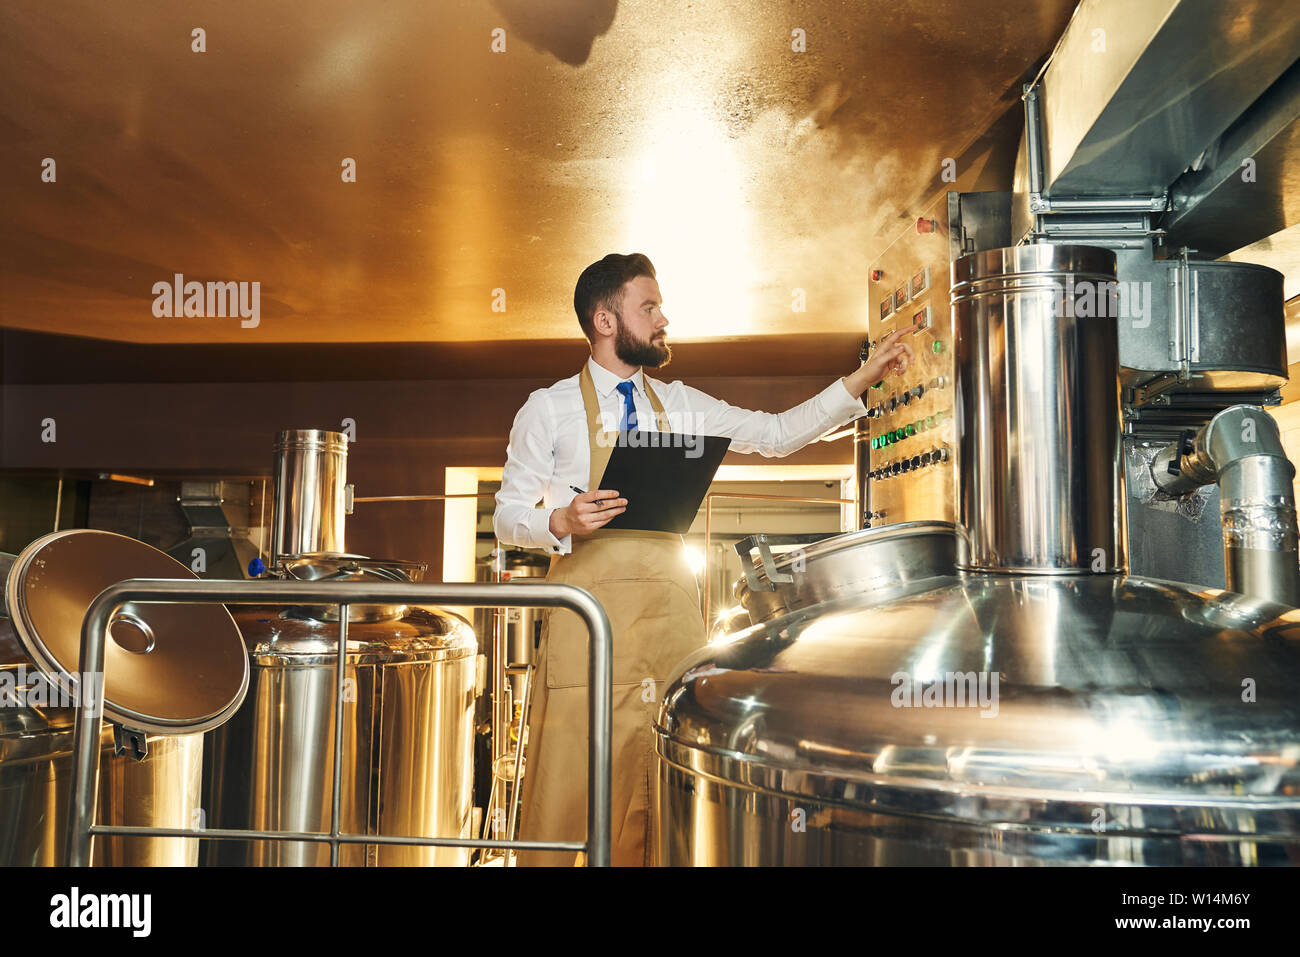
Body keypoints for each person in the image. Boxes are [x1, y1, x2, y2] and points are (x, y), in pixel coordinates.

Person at [493, 252, 913, 866]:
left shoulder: (683, 403)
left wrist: (860, 381)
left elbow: (775, 434)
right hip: (589, 627)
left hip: (669, 626)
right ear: (606, 321)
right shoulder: (548, 407)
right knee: (568, 787)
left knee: (664, 785)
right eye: (650, 307)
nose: (664, 318)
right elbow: (508, 515)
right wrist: (560, 519)